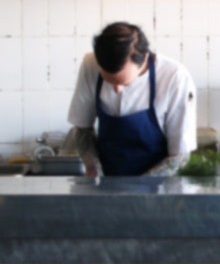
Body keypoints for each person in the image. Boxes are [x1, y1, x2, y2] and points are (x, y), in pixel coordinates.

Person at [67, 22, 197, 177]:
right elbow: (83, 130)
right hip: (107, 184)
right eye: (109, 80)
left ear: (144, 58)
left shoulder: (174, 77)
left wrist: (137, 189)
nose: (117, 90)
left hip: (159, 189)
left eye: (124, 82)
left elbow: (179, 157)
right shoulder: (90, 65)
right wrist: (94, 169)